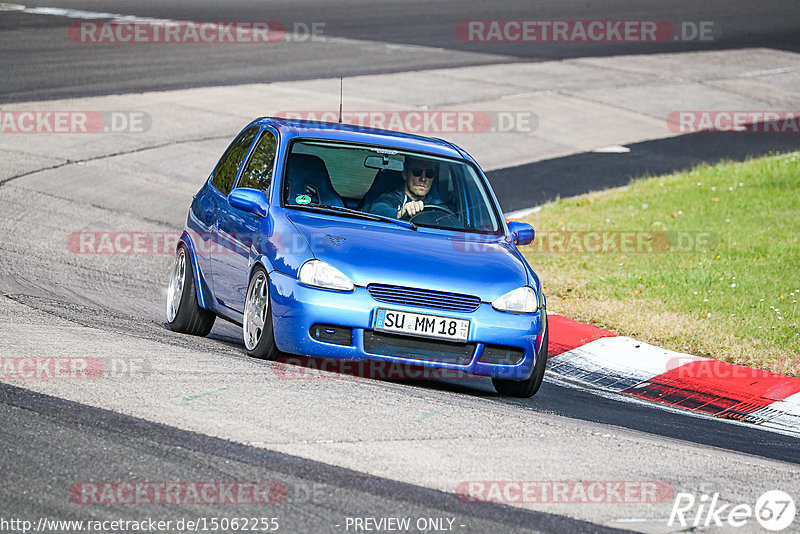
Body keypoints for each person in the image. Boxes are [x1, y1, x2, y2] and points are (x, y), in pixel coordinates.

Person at [369, 156, 445, 219]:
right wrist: (400, 213)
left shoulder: (438, 205)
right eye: (417, 172)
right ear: (405, 174)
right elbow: (377, 209)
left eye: (429, 173)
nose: (423, 179)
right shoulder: (392, 198)